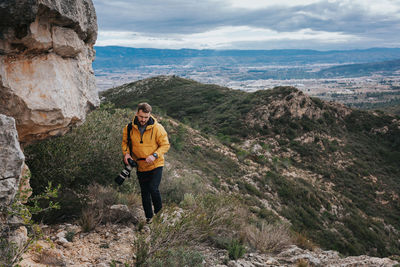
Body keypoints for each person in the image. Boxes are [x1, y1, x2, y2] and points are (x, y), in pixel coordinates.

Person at [122, 103, 170, 224]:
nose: (143, 120)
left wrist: (154, 155)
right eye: (141, 116)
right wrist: (126, 154)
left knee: (153, 188)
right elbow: (125, 143)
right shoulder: (129, 128)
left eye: (146, 117)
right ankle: (149, 217)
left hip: (156, 164)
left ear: (149, 115)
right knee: (144, 193)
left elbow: (165, 145)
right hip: (141, 166)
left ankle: (159, 216)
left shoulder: (158, 128)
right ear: (137, 114)